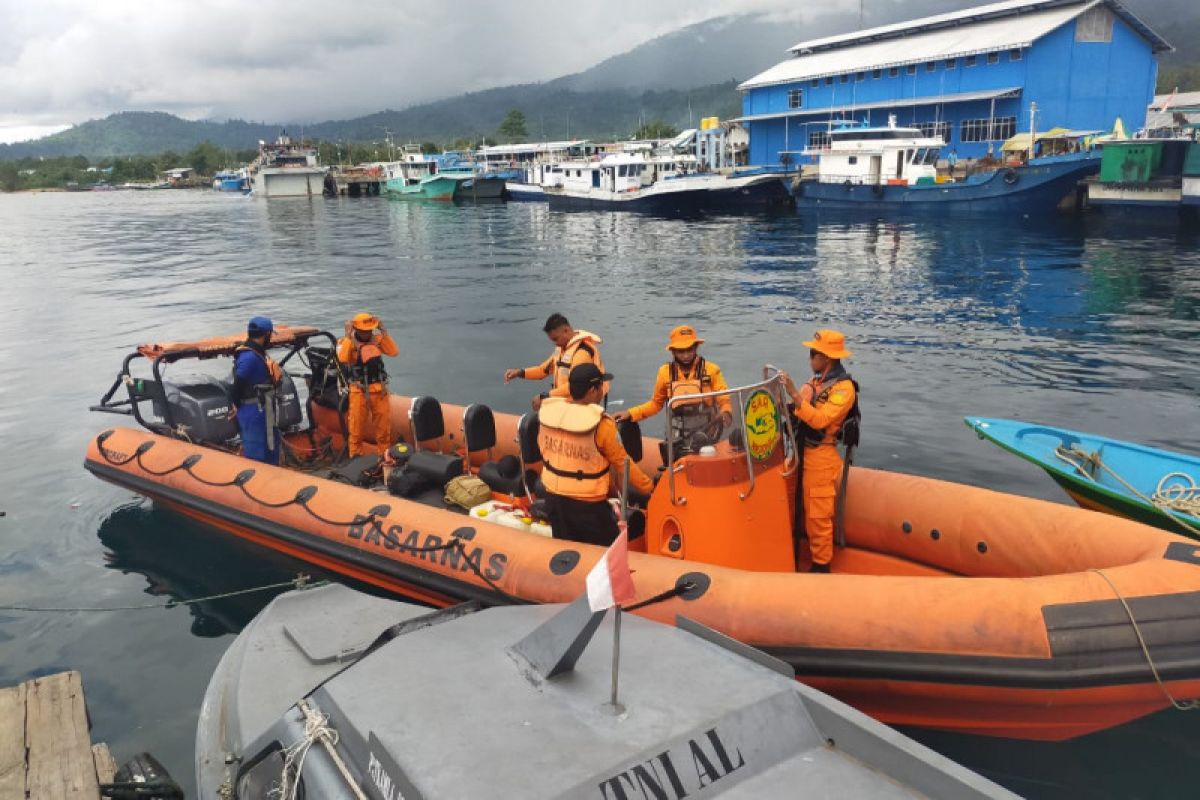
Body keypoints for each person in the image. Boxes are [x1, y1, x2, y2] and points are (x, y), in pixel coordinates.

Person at [537, 363, 654, 546]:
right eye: (601, 386)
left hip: (553, 498)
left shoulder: (549, 417)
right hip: (587, 505)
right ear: (593, 390)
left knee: (566, 550)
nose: (603, 391)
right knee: (607, 551)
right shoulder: (601, 425)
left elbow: (543, 448)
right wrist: (649, 488)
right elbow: (623, 463)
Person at [780, 329, 858, 573]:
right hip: (800, 453)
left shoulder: (844, 389)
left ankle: (822, 566)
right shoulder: (814, 383)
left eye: (813, 353)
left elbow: (821, 419)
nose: (810, 357)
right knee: (788, 505)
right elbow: (796, 409)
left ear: (827, 358)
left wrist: (793, 393)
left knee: (818, 517)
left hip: (821, 458)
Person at [613, 325, 732, 455]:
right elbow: (656, 404)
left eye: (689, 350)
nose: (686, 355)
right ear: (673, 351)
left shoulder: (712, 370)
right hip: (677, 440)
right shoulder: (665, 373)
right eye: (681, 351)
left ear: (696, 348)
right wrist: (630, 413)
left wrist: (726, 412)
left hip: (707, 436)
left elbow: (724, 399)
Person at [504, 313, 605, 410]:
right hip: (564, 404)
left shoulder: (581, 353)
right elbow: (542, 370)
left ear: (566, 330)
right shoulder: (562, 350)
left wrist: (546, 396)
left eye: (556, 339)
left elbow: (576, 385)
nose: (555, 344)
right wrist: (519, 372)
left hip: (580, 406)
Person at [337, 312, 399, 457]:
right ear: (356, 329)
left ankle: (384, 459)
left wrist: (384, 331)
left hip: (379, 390)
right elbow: (342, 357)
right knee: (356, 431)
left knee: (384, 430)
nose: (367, 333)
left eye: (370, 329)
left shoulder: (377, 340)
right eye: (364, 330)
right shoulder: (347, 342)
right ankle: (355, 459)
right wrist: (347, 335)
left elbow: (394, 351)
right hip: (359, 391)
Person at [231, 316, 284, 465]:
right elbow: (238, 382)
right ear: (266, 334)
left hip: (264, 409)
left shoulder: (257, 353)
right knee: (257, 452)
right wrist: (234, 403)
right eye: (270, 335)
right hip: (254, 411)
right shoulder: (249, 357)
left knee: (271, 447)